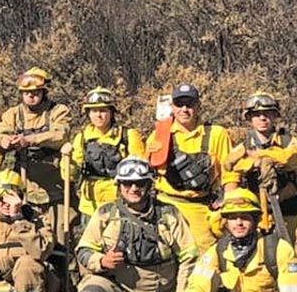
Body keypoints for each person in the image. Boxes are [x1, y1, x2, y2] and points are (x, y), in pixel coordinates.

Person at [76, 157, 197, 292]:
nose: (134, 188)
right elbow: (83, 250)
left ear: (149, 184)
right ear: (119, 185)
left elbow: (189, 259)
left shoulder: (169, 215)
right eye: (127, 183)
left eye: (140, 183)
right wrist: (101, 261)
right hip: (117, 287)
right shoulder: (106, 213)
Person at [182, 188, 297, 292]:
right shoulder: (218, 250)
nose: (239, 223)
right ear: (226, 222)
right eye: (233, 218)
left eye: (245, 217)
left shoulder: (277, 250)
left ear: (256, 220)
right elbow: (197, 286)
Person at [0, 68, 72, 260]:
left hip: (55, 191)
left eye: (36, 92)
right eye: (26, 92)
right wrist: (3, 141)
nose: (31, 95)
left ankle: (63, 283)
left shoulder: (58, 111)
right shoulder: (13, 114)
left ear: (44, 91)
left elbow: (61, 134)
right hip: (24, 190)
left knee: (59, 241)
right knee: (27, 238)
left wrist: (30, 140)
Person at [145, 83, 232, 250]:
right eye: (179, 104)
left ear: (198, 106)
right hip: (166, 207)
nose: (184, 109)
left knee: (204, 261)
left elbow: (229, 175)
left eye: (190, 104)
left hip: (201, 208)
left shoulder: (217, 134)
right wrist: (148, 156)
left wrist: (228, 208)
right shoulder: (160, 134)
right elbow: (146, 173)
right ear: (172, 107)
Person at [65, 87, 145, 226]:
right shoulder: (81, 138)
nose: (99, 115)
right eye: (94, 111)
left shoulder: (128, 136)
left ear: (111, 112)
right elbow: (70, 175)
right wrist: (68, 160)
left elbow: (142, 172)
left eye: (103, 110)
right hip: (90, 205)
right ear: (88, 113)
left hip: (120, 203)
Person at [222, 92, 297, 235]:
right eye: (257, 114)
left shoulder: (289, 142)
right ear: (249, 118)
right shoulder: (240, 149)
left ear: (275, 116)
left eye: (267, 113)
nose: (262, 118)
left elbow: (288, 158)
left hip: (291, 212)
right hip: (256, 216)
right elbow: (230, 174)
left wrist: (260, 157)